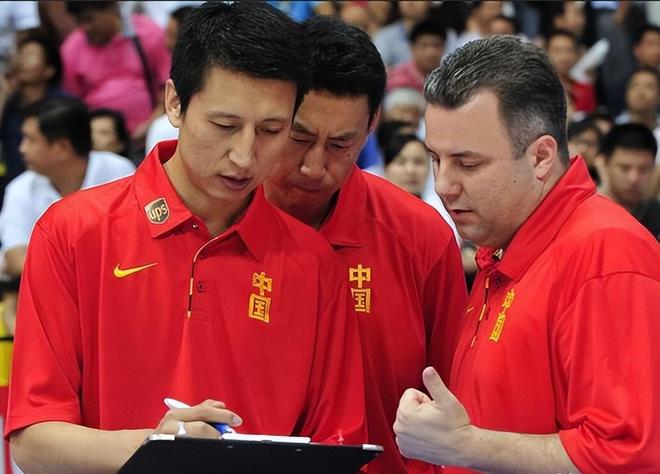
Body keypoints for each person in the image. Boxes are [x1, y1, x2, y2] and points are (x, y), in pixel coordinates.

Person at [5, 3, 365, 473]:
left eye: (272, 130)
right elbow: (33, 440)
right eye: (224, 126)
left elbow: (337, 443)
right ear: (175, 102)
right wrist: (159, 448)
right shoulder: (73, 232)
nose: (244, 155)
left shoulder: (313, 263)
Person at [394, 35, 660, 472]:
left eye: (468, 163)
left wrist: (464, 446)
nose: (443, 185)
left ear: (540, 156)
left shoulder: (607, 257)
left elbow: (629, 456)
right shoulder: (504, 243)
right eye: (436, 159)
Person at [264, 16, 467, 474]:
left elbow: (454, 395)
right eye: (299, 137)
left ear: (373, 123)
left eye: (341, 144)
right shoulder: (220, 223)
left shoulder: (421, 236)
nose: (314, 166)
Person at [0, 97, 135, 333]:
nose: (22, 148)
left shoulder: (120, 172)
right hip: (53, 302)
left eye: (31, 140)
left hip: (117, 295)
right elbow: (15, 259)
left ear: (62, 148)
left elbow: (135, 249)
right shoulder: (20, 188)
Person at [61, 1, 171, 144]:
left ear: (111, 10)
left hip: (153, 128)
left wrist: (152, 125)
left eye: (89, 19)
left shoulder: (147, 31)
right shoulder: (71, 49)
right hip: (99, 140)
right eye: (80, 22)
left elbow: (168, 85)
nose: (86, 28)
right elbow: (73, 105)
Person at [600, 123, 660, 240]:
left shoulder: (656, 216)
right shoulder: (587, 213)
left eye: (644, 170)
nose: (634, 178)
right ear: (605, 163)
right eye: (624, 168)